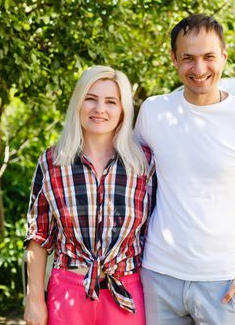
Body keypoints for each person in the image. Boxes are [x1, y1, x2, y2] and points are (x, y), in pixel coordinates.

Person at [134, 14, 235, 324]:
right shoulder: (153, 111)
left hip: (224, 281)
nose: (199, 69)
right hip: (159, 275)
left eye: (208, 57)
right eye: (188, 58)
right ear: (174, 59)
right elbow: (131, 182)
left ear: (224, 57)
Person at [23, 65, 155, 325]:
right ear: (78, 103)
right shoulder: (52, 162)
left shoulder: (143, 163)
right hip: (68, 293)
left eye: (111, 102)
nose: (100, 109)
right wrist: (34, 299)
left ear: (123, 110)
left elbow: (154, 231)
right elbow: (38, 236)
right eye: (91, 99)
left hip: (126, 293)